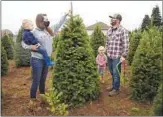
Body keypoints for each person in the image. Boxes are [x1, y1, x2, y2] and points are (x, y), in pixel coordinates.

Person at [21, 11, 71, 107]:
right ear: (39, 22)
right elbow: (23, 43)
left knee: (43, 80)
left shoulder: (48, 30)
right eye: (45, 21)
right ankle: (32, 100)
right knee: (36, 80)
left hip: (46, 60)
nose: (46, 23)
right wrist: (31, 47)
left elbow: (59, 23)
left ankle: (43, 97)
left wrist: (65, 14)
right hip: (37, 60)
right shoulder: (33, 31)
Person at [105, 14, 129, 96]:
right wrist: (106, 51)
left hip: (117, 56)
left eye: (113, 19)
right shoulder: (109, 30)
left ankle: (116, 89)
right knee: (111, 72)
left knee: (116, 73)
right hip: (109, 55)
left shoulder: (123, 30)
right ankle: (113, 85)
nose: (111, 20)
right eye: (111, 19)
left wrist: (124, 56)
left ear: (118, 20)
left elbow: (125, 44)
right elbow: (107, 42)